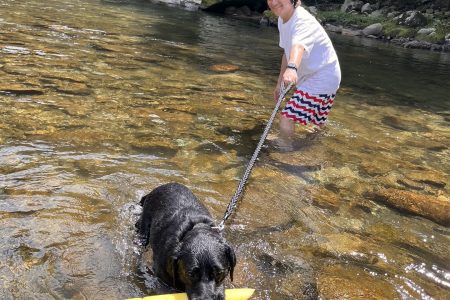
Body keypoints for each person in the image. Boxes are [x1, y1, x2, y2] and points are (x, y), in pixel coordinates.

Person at [267, 0, 341, 143]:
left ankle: (284, 149)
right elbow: (287, 53)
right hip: (325, 75)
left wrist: (292, 68)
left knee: (287, 116)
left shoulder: (301, 21)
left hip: (322, 77)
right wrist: (279, 83)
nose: (274, 2)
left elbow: (298, 46)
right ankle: (317, 146)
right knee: (316, 122)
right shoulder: (282, 19)